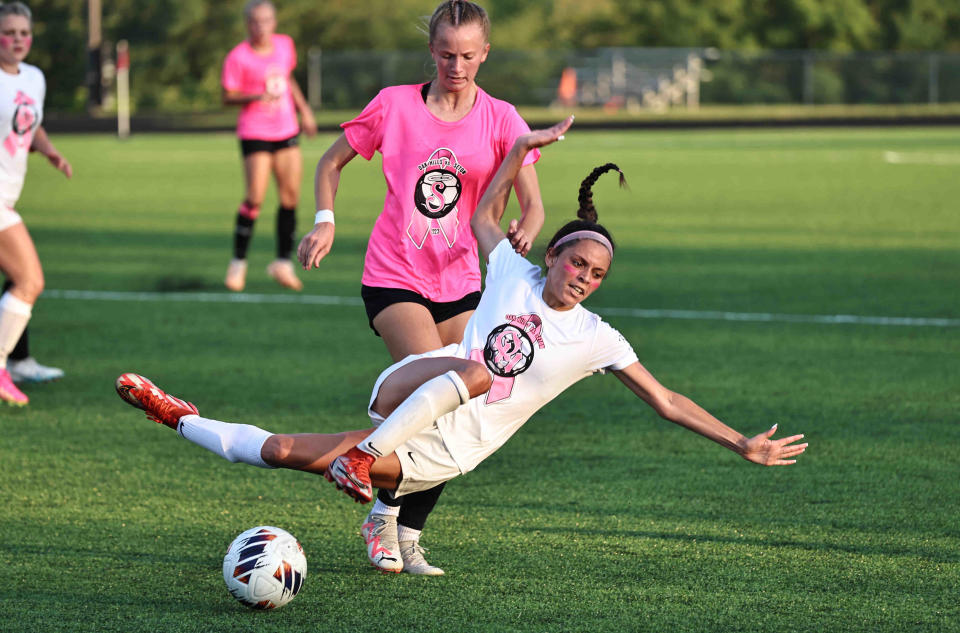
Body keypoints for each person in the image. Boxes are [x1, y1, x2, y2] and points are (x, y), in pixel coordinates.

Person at [114, 118, 808, 571]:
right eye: (576, 264)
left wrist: (739, 441)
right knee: (477, 368)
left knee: (277, 450)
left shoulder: (598, 338)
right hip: (420, 387)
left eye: (597, 275)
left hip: (436, 452)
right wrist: (515, 151)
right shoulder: (508, 265)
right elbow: (482, 213)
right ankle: (364, 465)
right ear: (556, 254)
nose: (585, 279)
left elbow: (666, 399)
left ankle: (178, 415)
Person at [296, 1, 546, 574]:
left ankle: (405, 529)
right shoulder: (394, 104)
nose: (456, 65)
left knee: (461, 406)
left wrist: (522, 235)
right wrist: (325, 221)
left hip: (463, 283)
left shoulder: (504, 118)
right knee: (438, 384)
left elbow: (533, 208)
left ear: (485, 53)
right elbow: (331, 163)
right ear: (430, 51)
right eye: (445, 53)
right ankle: (383, 517)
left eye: (467, 55)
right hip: (393, 276)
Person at [0, 2, 72, 406]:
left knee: (18, 280)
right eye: (8, 32)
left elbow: (32, 121)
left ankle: (18, 361)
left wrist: (48, 151)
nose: (17, 40)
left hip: (8, 195)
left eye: (23, 33)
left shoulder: (34, 77)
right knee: (29, 280)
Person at [221, 0, 317, 293]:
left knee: (290, 197)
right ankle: (238, 263)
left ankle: (282, 263)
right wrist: (254, 96)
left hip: (286, 129)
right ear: (247, 24)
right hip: (255, 131)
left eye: (265, 20)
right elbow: (227, 96)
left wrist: (305, 110)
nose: (260, 26)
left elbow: (288, 80)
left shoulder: (285, 45)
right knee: (254, 198)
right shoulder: (238, 57)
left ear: (273, 22)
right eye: (254, 21)